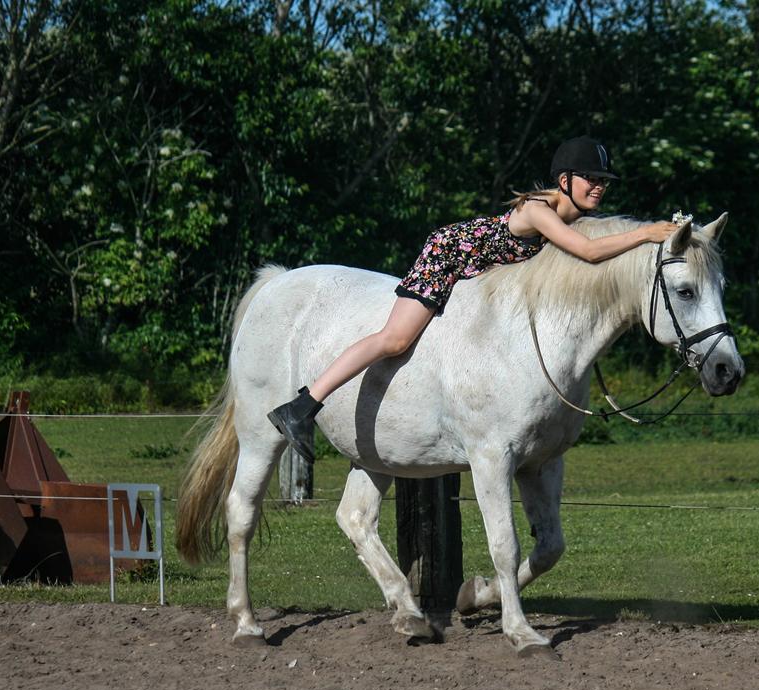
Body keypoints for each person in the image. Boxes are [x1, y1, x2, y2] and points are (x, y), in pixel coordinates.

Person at [267, 136, 678, 460]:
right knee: (394, 339)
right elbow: (588, 253)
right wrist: (646, 233)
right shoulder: (538, 210)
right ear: (565, 180)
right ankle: (303, 407)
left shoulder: (576, 218)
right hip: (447, 257)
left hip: (475, 274)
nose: (599, 187)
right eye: (592, 178)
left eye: (603, 180)